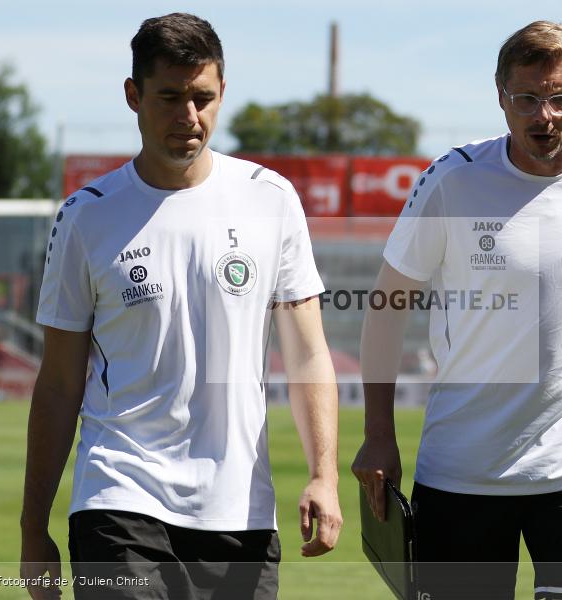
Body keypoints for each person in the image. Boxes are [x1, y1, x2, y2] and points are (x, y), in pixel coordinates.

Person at [20, 13, 342, 600]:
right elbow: (60, 382)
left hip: (240, 509)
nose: (188, 117)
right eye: (169, 97)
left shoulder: (270, 200)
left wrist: (324, 474)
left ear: (222, 95)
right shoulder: (85, 215)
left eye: (203, 98)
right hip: (118, 495)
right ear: (133, 96)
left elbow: (308, 356)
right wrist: (32, 528)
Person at [353, 21, 562, 600]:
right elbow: (388, 305)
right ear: (500, 96)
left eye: (560, 98)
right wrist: (378, 434)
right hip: (461, 473)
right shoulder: (453, 180)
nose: (543, 115)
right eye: (526, 98)